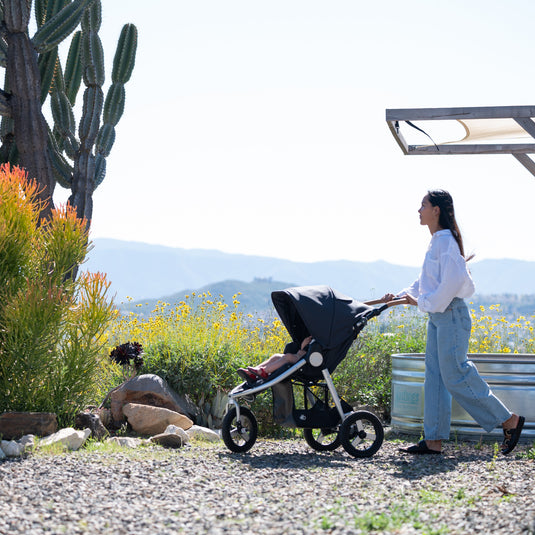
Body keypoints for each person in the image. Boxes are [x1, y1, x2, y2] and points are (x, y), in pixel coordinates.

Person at [381, 189, 524, 455]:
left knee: (456, 374)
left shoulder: (445, 241)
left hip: (451, 315)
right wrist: (399, 297)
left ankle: (508, 420)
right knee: (435, 378)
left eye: (423, 205)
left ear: (436, 210)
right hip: (439, 316)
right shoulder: (438, 241)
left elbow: (453, 283)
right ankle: (433, 440)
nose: (419, 210)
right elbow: (426, 282)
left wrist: (420, 302)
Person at [237, 336, 313, 383]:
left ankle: (264, 371)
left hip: (310, 362)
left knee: (288, 357)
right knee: (276, 356)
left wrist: (303, 347)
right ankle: (253, 373)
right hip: (304, 357)